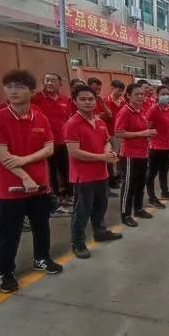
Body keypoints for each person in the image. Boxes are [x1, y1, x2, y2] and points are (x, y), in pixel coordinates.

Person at [0, 70, 63, 293]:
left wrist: (25, 160)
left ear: (32, 91)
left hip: (39, 186)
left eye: (19, 86)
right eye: (9, 86)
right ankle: (6, 272)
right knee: (8, 233)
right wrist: (25, 176)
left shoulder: (40, 118)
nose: (13, 91)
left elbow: (49, 148)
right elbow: (3, 156)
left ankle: (42, 258)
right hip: (9, 189)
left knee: (41, 226)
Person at [65, 85, 122, 259]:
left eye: (90, 99)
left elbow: (106, 141)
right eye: (82, 99)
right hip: (83, 176)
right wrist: (102, 157)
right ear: (75, 101)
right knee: (82, 210)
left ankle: (100, 232)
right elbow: (74, 152)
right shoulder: (72, 124)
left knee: (100, 206)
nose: (87, 102)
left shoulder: (99, 122)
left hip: (101, 173)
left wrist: (109, 152)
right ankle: (78, 242)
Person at [115, 83, 156, 227]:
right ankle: (125, 215)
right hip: (130, 154)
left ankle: (138, 209)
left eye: (142, 94)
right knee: (129, 186)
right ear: (128, 96)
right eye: (137, 94)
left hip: (142, 153)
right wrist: (142, 133)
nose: (140, 97)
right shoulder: (125, 112)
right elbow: (118, 132)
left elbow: (142, 130)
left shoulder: (141, 110)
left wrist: (148, 135)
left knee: (140, 183)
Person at [32, 73, 73, 213]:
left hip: (64, 142)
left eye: (53, 80)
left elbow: (69, 118)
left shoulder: (65, 100)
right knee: (50, 173)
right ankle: (54, 201)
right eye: (47, 80)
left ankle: (69, 196)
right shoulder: (36, 99)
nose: (49, 83)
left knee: (66, 170)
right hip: (46, 144)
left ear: (60, 84)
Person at [146, 85, 169, 208]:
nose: (166, 96)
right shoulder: (153, 110)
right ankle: (152, 198)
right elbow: (146, 127)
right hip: (156, 147)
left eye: (167, 94)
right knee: (152, 173)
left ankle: (165, 192)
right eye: (163, 94)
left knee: (164, 171)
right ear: (157, 96)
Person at [105, 80, 126, 189]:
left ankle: (118, 174)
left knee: (120, 155)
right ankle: (112, 178)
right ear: (112, 88)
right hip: (111, 133)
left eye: (122, 91)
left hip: (122, 133)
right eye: (119, 90)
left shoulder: (123, 101)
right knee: (113, 155)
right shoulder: (105, 101)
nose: (120, 93)